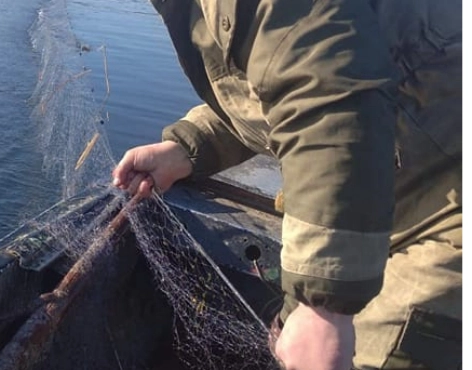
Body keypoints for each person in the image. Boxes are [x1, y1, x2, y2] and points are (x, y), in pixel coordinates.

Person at [111, 0, 462, 369]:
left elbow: (328, 99)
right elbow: (278, 84)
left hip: (443, 215)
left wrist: (321, 306)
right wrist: (189, 146)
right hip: (376, 208)